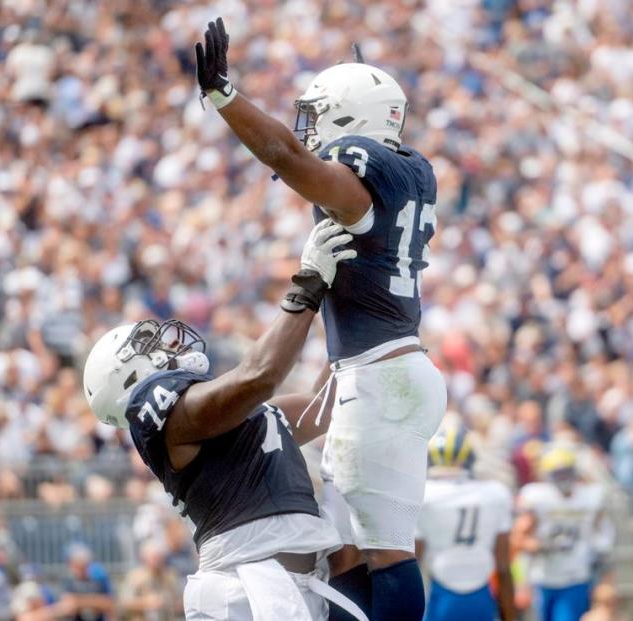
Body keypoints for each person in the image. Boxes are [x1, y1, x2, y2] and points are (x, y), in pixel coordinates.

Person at [194, 17, 446, 621]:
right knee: (349, 553)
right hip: (381, 372)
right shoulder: (408, 167)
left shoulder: (360, 178)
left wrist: (226, 98)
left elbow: (285, 153)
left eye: (318, 113)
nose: (309, 128)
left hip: (378, 378)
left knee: (384, 553)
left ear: (350, 115)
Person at [81, 222, 365, 621]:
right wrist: (310, 284)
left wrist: (358, 323)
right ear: (127, 379)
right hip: (243, 592)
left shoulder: (229, 415)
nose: (165, 342)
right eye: (146, 346)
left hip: (290, 588)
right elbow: (260, 375)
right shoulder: (168, 418)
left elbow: (325, 407)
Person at [416, 425, 516, 621]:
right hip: (481, 595)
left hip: (440, 594)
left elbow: (413, 562)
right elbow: (503, 568)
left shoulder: (425, 495)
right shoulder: (494, 493)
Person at [512, 446, 612, 621]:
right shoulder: (537, 497)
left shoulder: (590, 497)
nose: (563, 479)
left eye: (566, 472)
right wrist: (539, 546)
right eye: (558, 474)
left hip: (576, 576)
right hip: (543, 577)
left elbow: (604, 538)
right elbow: (518, 538)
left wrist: (605, 578)